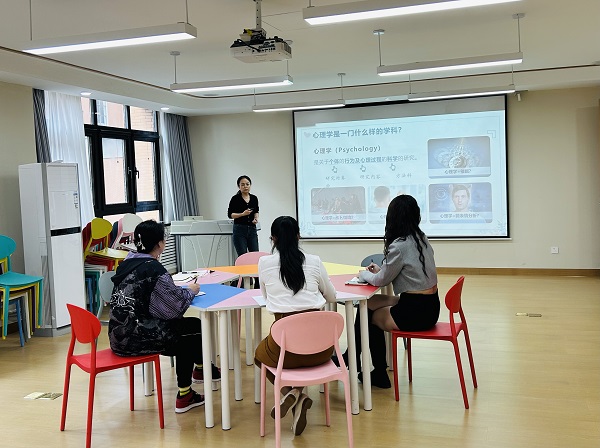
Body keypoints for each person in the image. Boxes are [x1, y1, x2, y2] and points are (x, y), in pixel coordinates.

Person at [108, 220, 221, 414]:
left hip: (118, 335)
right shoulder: (154, 269)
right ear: (160, 244)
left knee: (190, 326)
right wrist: (191, 290)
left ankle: (202, 369)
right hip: (136, 339)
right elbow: (174, 307)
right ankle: (185, 393)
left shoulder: (127, 263)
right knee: (190, 332)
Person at [341, 195, 439, 388]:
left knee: (370, 316)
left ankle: (377, 371)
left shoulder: (399, 246)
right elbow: (396, 273)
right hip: (430, 307)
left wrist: (363, 274)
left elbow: (380, 280)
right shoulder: (421, 238)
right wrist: (382, 271)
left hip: (415, 313)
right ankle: (351, 357)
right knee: (368, 304)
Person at [254, 216, 336, 436]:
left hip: (285, 351)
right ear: (298, 236)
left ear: (273, 239)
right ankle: (298, 397)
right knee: (302, 354)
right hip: (321, 350)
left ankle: (292, 393)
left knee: (259, 356)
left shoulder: (264, 263)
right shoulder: (315, 261)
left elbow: (266, 298)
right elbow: (331, 296)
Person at [228, 175, 260, 257]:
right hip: (239, 229)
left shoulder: (254, 198)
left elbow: (256, 211)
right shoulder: (235, 199)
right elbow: (230, 215)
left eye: (247, 184)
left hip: (252, 229)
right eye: (242, 184)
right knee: (242, 255)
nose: (245, 186)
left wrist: (256, 218)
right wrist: (242, 214)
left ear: (250, 185)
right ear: (239, 186)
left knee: (255, 254)